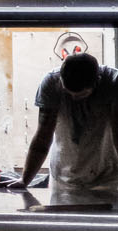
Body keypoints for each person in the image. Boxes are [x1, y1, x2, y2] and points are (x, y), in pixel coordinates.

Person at [20, 52, 118, 208]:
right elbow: (42, 137)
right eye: (68, 92)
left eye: (81, 94)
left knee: (101, 227)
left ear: (97, 82)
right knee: (65, 227)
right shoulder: (51, 82)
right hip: (63, 175)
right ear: (61, 79)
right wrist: (24, 181)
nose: (73, 98)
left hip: (107, 175)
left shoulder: (113, 82)